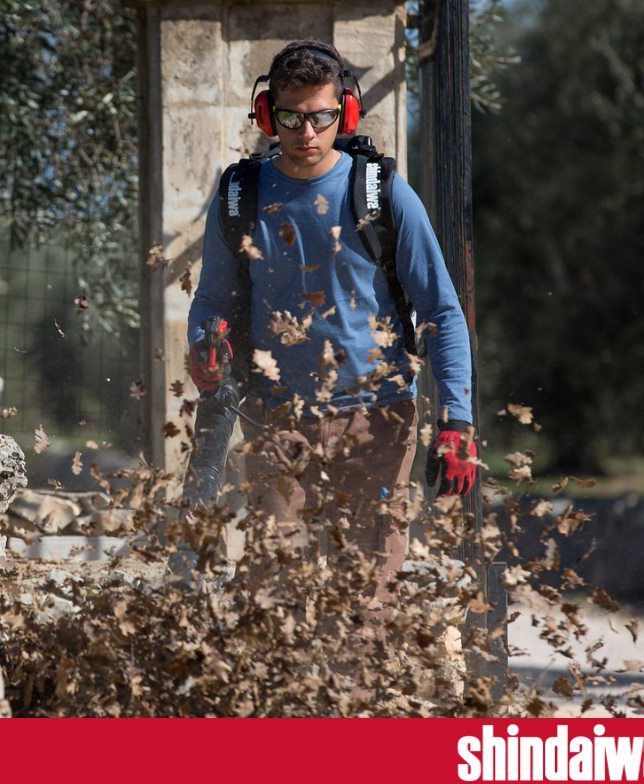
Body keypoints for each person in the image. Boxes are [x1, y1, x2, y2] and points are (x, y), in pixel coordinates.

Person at [186, 40, 479, 620]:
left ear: (343, 114)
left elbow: (442, 313)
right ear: (268, 116)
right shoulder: (240, 194)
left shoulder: (381, 193)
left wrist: (458, 422)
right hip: (275, 421)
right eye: (291, 118)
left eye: (320, 117)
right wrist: (206, 346)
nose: (306, 132)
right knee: (275, 600)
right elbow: (212, 299)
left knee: (366, 606)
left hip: (379, 420)